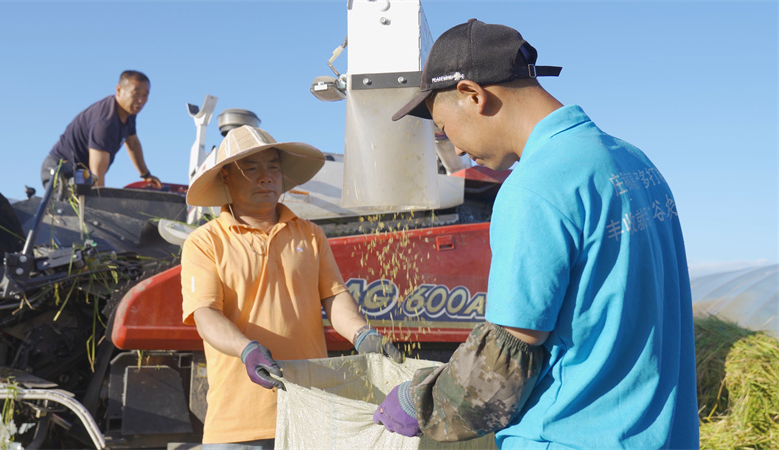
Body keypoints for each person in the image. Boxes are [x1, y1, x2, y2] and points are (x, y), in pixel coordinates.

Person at [374, 19, 699, 449]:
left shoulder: (534, 186)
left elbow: (504, 362)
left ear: (474, 95)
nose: (455, 148)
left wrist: (421, 401)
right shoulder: (634, 163)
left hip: (569, 436)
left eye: (444, 129)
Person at [180, 125, 402, 448]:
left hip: (311, 413)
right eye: (251, 167)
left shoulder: (311, 235)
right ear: (225, 177)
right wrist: (246, 349)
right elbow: (205, 315)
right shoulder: (205, 242)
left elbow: (334, 296)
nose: (266, 177)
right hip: (239, 422)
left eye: (273, 166)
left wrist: (361, 333)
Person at [41, 70, 161, 198]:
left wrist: (145, 174)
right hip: (61, 171)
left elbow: (132, 143)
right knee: (78, 210)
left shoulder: (129, 113)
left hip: (83, 175)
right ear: (119, 90)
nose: (141, 101)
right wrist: (100, 203)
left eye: (145, 95)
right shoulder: (105, 123)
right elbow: (97, 174)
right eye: (136, 94)